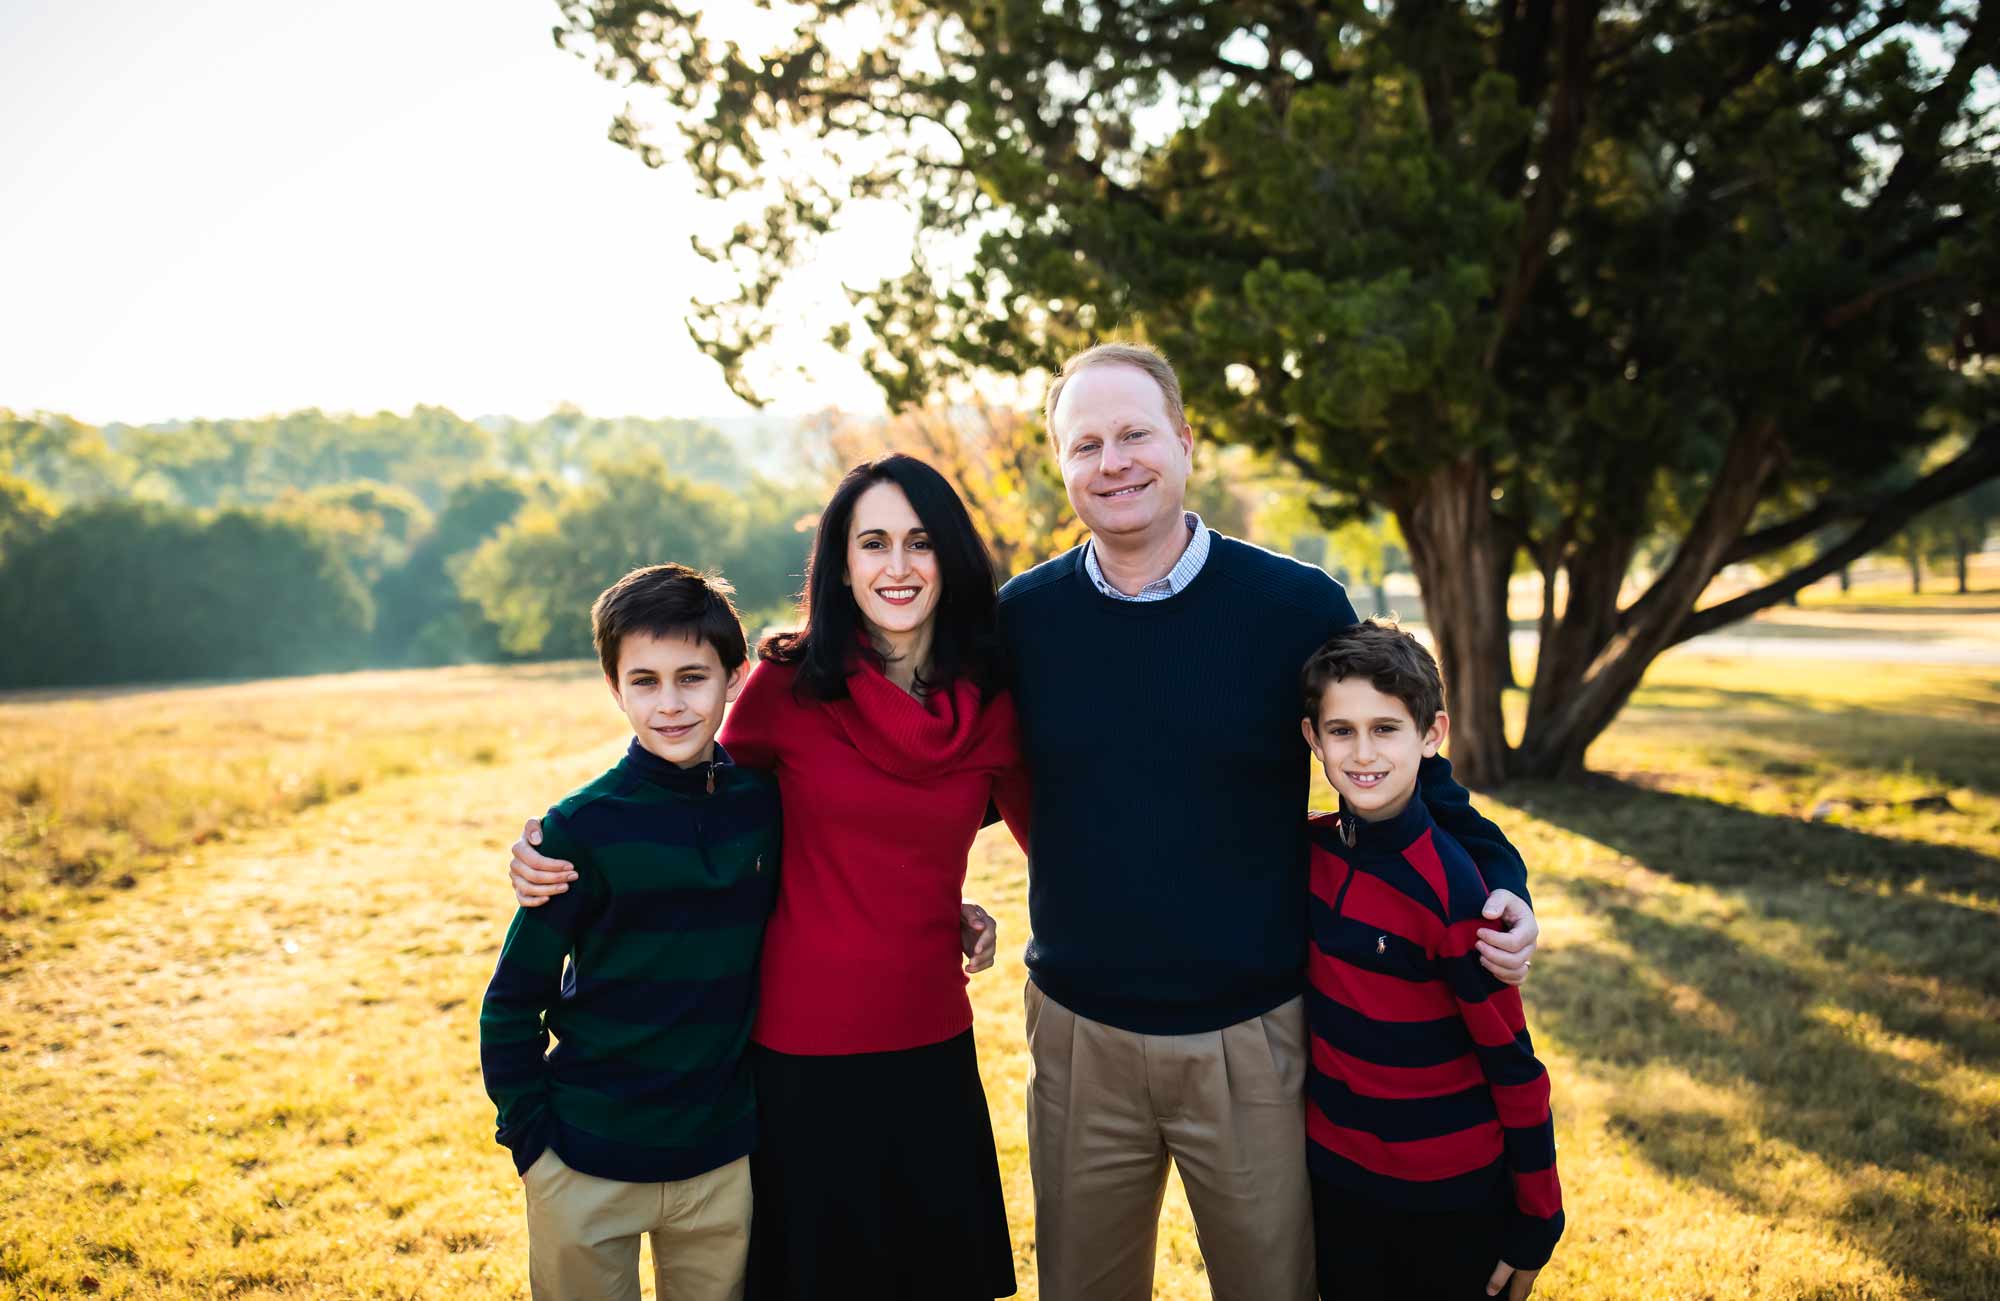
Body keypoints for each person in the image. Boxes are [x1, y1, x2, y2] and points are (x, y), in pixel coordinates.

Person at [997, 341, 1540, 1301]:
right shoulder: (1020, 619)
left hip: (1253, 1034)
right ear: (1062, 464)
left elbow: (1410, 767)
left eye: (1135, 434)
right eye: (1086, 444)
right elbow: (946, 768)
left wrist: (1505, 882)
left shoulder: (1294, 605)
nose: (1113, 462)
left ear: (1186, 442)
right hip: (1081, 1035)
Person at [512, 454, 1023, 1301]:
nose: (897, 565)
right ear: (841, 564)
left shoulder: (992, 698)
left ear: (951, 556)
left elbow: (977, 826)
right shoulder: (789, 685)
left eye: (920, 541)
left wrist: (939, 897)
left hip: (932, 1039)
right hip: (799, 1053)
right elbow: (694, 789)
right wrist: (553, 843)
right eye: (873, 543)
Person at [478, 563, 780, 1301]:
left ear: (735, 679)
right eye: (644, 681)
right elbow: (511, 1003)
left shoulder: (766, 805)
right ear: (615, 688)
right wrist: (532, 1145)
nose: (670, 703)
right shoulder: (580, 828)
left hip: (719, 1161)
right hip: (585, 1159)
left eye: (692, 678)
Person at [1298, 621, 1563, 1300]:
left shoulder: (1458, 894)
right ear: (1312, 739)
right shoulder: (1308, 855)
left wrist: (1538, 1218)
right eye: (1341, 731)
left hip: (1450, 1200)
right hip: (1338, 1184)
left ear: (1431, 734)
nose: (1363, 753)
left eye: (1386, 729)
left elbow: (1514, 1066)